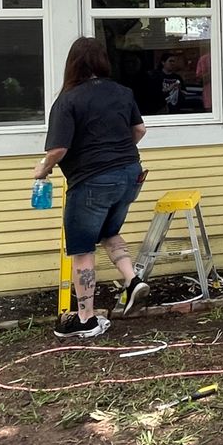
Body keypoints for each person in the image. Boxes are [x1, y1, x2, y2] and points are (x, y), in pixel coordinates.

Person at [34, 37, 151, 339]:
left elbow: (58, 149)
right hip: (130, 174)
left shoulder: (68, 100)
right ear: (102, 61)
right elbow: (139, 130)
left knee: (82, 250)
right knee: (108, 231)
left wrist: (42, 170)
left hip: (92, 182)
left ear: (72, 63)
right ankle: (133, 280)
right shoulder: (122, 92)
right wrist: (119, 152)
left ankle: (86, 319)